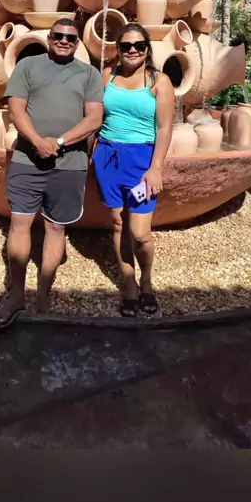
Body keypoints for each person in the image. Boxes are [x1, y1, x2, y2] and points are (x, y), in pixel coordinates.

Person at [0, 19, 104, 329]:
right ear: (49, 38)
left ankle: (43, 295)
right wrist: (37, 141)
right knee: (19, 223)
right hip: (27, 160)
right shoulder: (28, 66)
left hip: (70, 164)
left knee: (56, 228)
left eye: (71, 38)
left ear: (78, 43)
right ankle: (16, 295)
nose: (64, 41)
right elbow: (16, 109)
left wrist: (60, 142)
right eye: (58, 36)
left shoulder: (89, 74)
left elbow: (94, 118)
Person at [92, 22, 175, 316]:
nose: (132, 51)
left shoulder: (159, 81)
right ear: (118, 49)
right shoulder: (107, 75)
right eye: (126, 46)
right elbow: (95, 117)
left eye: (139, 45)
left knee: (140, 233)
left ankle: (147, 281)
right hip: (108, 157)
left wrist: (156, 168)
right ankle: (129, 285)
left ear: (147, 49)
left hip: (142, 161)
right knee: (118, 224)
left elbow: (164, 128)